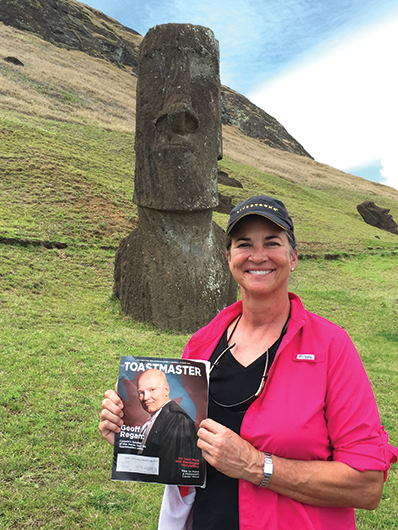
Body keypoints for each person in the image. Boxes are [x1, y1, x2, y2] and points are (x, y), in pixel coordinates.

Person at [99, 196, 398, 530]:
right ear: (229, 259)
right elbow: (185, 463)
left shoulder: (332, 347)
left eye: (272, 243)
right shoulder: (201, 345)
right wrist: (132, 441)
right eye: (244, 245)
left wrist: (256, 466)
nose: (258, 256)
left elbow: (367, 485)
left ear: (293, 256)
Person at [104, 368, 202, 485]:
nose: (145, 397)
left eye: (152, 390)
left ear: (166, 389)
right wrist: (120, 444)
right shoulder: (155, 419)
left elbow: (172, 474)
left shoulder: (177, 420)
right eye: (141, 392)